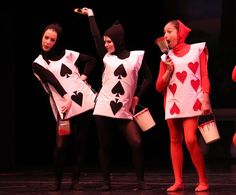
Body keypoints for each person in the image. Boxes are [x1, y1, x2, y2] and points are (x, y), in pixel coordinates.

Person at [79, 7, 152, 191]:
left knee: (137, 142)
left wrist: (137, 96)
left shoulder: (137, 57)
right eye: (105, 41)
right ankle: (106, 182)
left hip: (124, 109)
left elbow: (148, 78)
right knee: (105, 145)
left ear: (119, 40)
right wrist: (91, 16)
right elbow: (96, 37)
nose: (106, 45)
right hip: (103, 106)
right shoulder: (106, 58)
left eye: (109, 41)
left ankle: (141, 181)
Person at [32, 23, 97, 191]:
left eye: (52, 39)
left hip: (83, 104)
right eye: (46, 38)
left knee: (80, 143)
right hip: (64, 108)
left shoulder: (67, 54)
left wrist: (83, 76)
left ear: (57, 41)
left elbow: (91, 60)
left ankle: (75, 180)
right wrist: (66, 97)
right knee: (61, 146)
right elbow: (52, 79)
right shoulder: (38, 63)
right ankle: (58, 181)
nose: (47, 42)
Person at [155, 20, 210, 192]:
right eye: (164, 32)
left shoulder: (197, 50)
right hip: (172, 102)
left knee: (191, 140)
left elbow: (203, 75)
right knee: (174, 140)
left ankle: (203, 180)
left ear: (180, 33)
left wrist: (206, 97)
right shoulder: (165, 58)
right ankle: (178, 181)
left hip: (192, 101)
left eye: (169, 31)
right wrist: (168, 71)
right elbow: (158, 87)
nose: (165, 35)